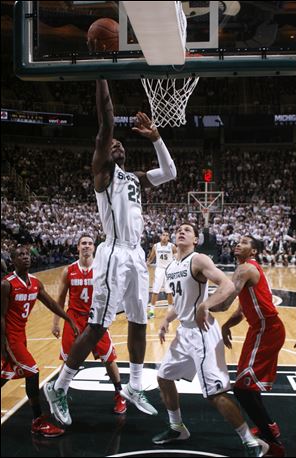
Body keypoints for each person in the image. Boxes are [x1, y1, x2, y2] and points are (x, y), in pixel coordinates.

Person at [43, 78, 177, 425]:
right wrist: (102, 71)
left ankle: (134, 385)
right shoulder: (104, 174)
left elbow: (170, 172)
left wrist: (157, 137)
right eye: (110, 143)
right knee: (98, 325)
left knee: (138, 319)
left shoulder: (134, 178)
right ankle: (60, 385)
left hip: (135, 254)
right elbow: (106, 119)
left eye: (119, 144)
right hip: (114, 252)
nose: (115, 144)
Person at [153, 224, 268, 457]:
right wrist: (166, 319)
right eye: (179, 229)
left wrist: (206, 304)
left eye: (187, 230)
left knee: (215, 393)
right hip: (184, 332)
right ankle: (177, 427)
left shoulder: (199, 259)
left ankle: (251, 441)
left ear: (196, 239)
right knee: (164, 377)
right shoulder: (173, 266)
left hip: (202, 331)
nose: (181, 231)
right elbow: (179, 300)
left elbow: (226, 285)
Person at [1, 245, 79, 437]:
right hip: (10, 337)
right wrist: (3, 346)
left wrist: (68, 318)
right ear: (13, 261)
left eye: (27, 254)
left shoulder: (35, 283)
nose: (25, 257)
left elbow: (51, 303)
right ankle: (38, 421)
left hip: (21, 335)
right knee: (32, 372)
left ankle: (38, 421)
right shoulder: (6, 284)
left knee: (8, 372)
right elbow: (0, 317)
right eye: (20, 255)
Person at [220, 235, 286, 457]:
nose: (238, 243)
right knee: (246, 386)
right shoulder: (246, 270)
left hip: (267, 329)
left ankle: (272, 442)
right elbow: (239, 310)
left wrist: (197, 305)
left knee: (241, 389)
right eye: (237, 241)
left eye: (245, 242)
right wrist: (226, 325)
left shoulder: (246, 268)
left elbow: (225, 301)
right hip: (259, 330)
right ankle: (268, 425)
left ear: (254, 252)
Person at [51, 234, 126, 415]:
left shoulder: (101, 269)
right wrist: (56, 323)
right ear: (77, 247)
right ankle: (60, 393)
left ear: (94, 248)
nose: (86, 246)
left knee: (108, 358)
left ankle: (119, 394)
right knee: (68, 359)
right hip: (74, 318)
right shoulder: (68, 270)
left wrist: (109, 317)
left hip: (95, 318)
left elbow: (113, 293)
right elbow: (60, 299)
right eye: (83, 243)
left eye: (90, 243)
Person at [147, 230, 177, 318]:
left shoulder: (172, 246)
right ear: (161, 237)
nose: (165, 236)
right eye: (163, 235)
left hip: (169, 269)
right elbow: (151, 257)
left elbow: (177, 258)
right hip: (159, 269)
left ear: (169, 238)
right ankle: (152, 311)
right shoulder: (156, 246)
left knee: (169, 291)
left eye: (167, 235)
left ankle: (170, 310)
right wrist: (147, 264)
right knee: (155, 290)